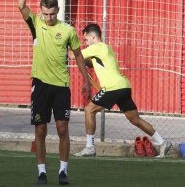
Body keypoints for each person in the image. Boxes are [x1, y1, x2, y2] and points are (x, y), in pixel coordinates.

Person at [18, 0, 91, 185]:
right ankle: (41, 171)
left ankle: (63, 171)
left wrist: (86, 80)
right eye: (45, 14)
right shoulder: (36, 24)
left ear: (57, 10)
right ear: (41, 12)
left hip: (61, 86)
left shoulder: (67, 30)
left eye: (52, 13)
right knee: (40, 129)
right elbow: (21, 6)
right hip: (40, 84)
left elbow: (78, 55)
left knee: (62, 128)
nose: (48, 17)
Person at [72, 23, 172, 158]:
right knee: (134, 119)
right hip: (124, 86)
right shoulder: (106, 48)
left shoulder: (96, 47)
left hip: (113, 87)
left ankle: (89, 147)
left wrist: (66, 43)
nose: (85, 43)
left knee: (89, 110)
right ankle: (163, 142)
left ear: (93, 37)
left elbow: (75, 55)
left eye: (86, 40)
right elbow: (90, 62)